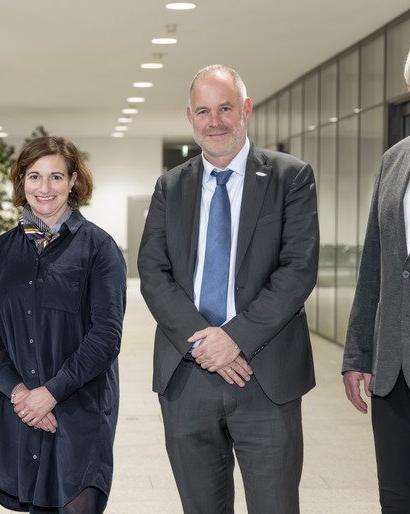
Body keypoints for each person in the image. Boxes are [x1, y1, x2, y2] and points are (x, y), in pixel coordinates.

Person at [137, 65, 319, 513]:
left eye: (225, 108)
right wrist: (204, 342)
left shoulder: (289, 177)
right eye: (203, 110)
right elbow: (153, 271)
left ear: (246, 110)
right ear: (189, 116)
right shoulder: (170, 186)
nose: (214, 121)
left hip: (265, 375)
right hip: (188, 374)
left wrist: (233, 338)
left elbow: (297, 271)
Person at [0, 136, 126, 513]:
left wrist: (51, 393)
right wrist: (20, 393)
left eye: (56, 177)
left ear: (73, 181)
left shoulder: (98, 248)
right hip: (20, 406)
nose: (45, 188)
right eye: (35, 177)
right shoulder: (1, 251)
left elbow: (106, 336)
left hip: (79, 407)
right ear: (21, 181)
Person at [342, 29, 410, 513]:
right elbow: (375, 265)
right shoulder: (395, 160)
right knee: (401, 504)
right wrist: (359, 352)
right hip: (396, 375)